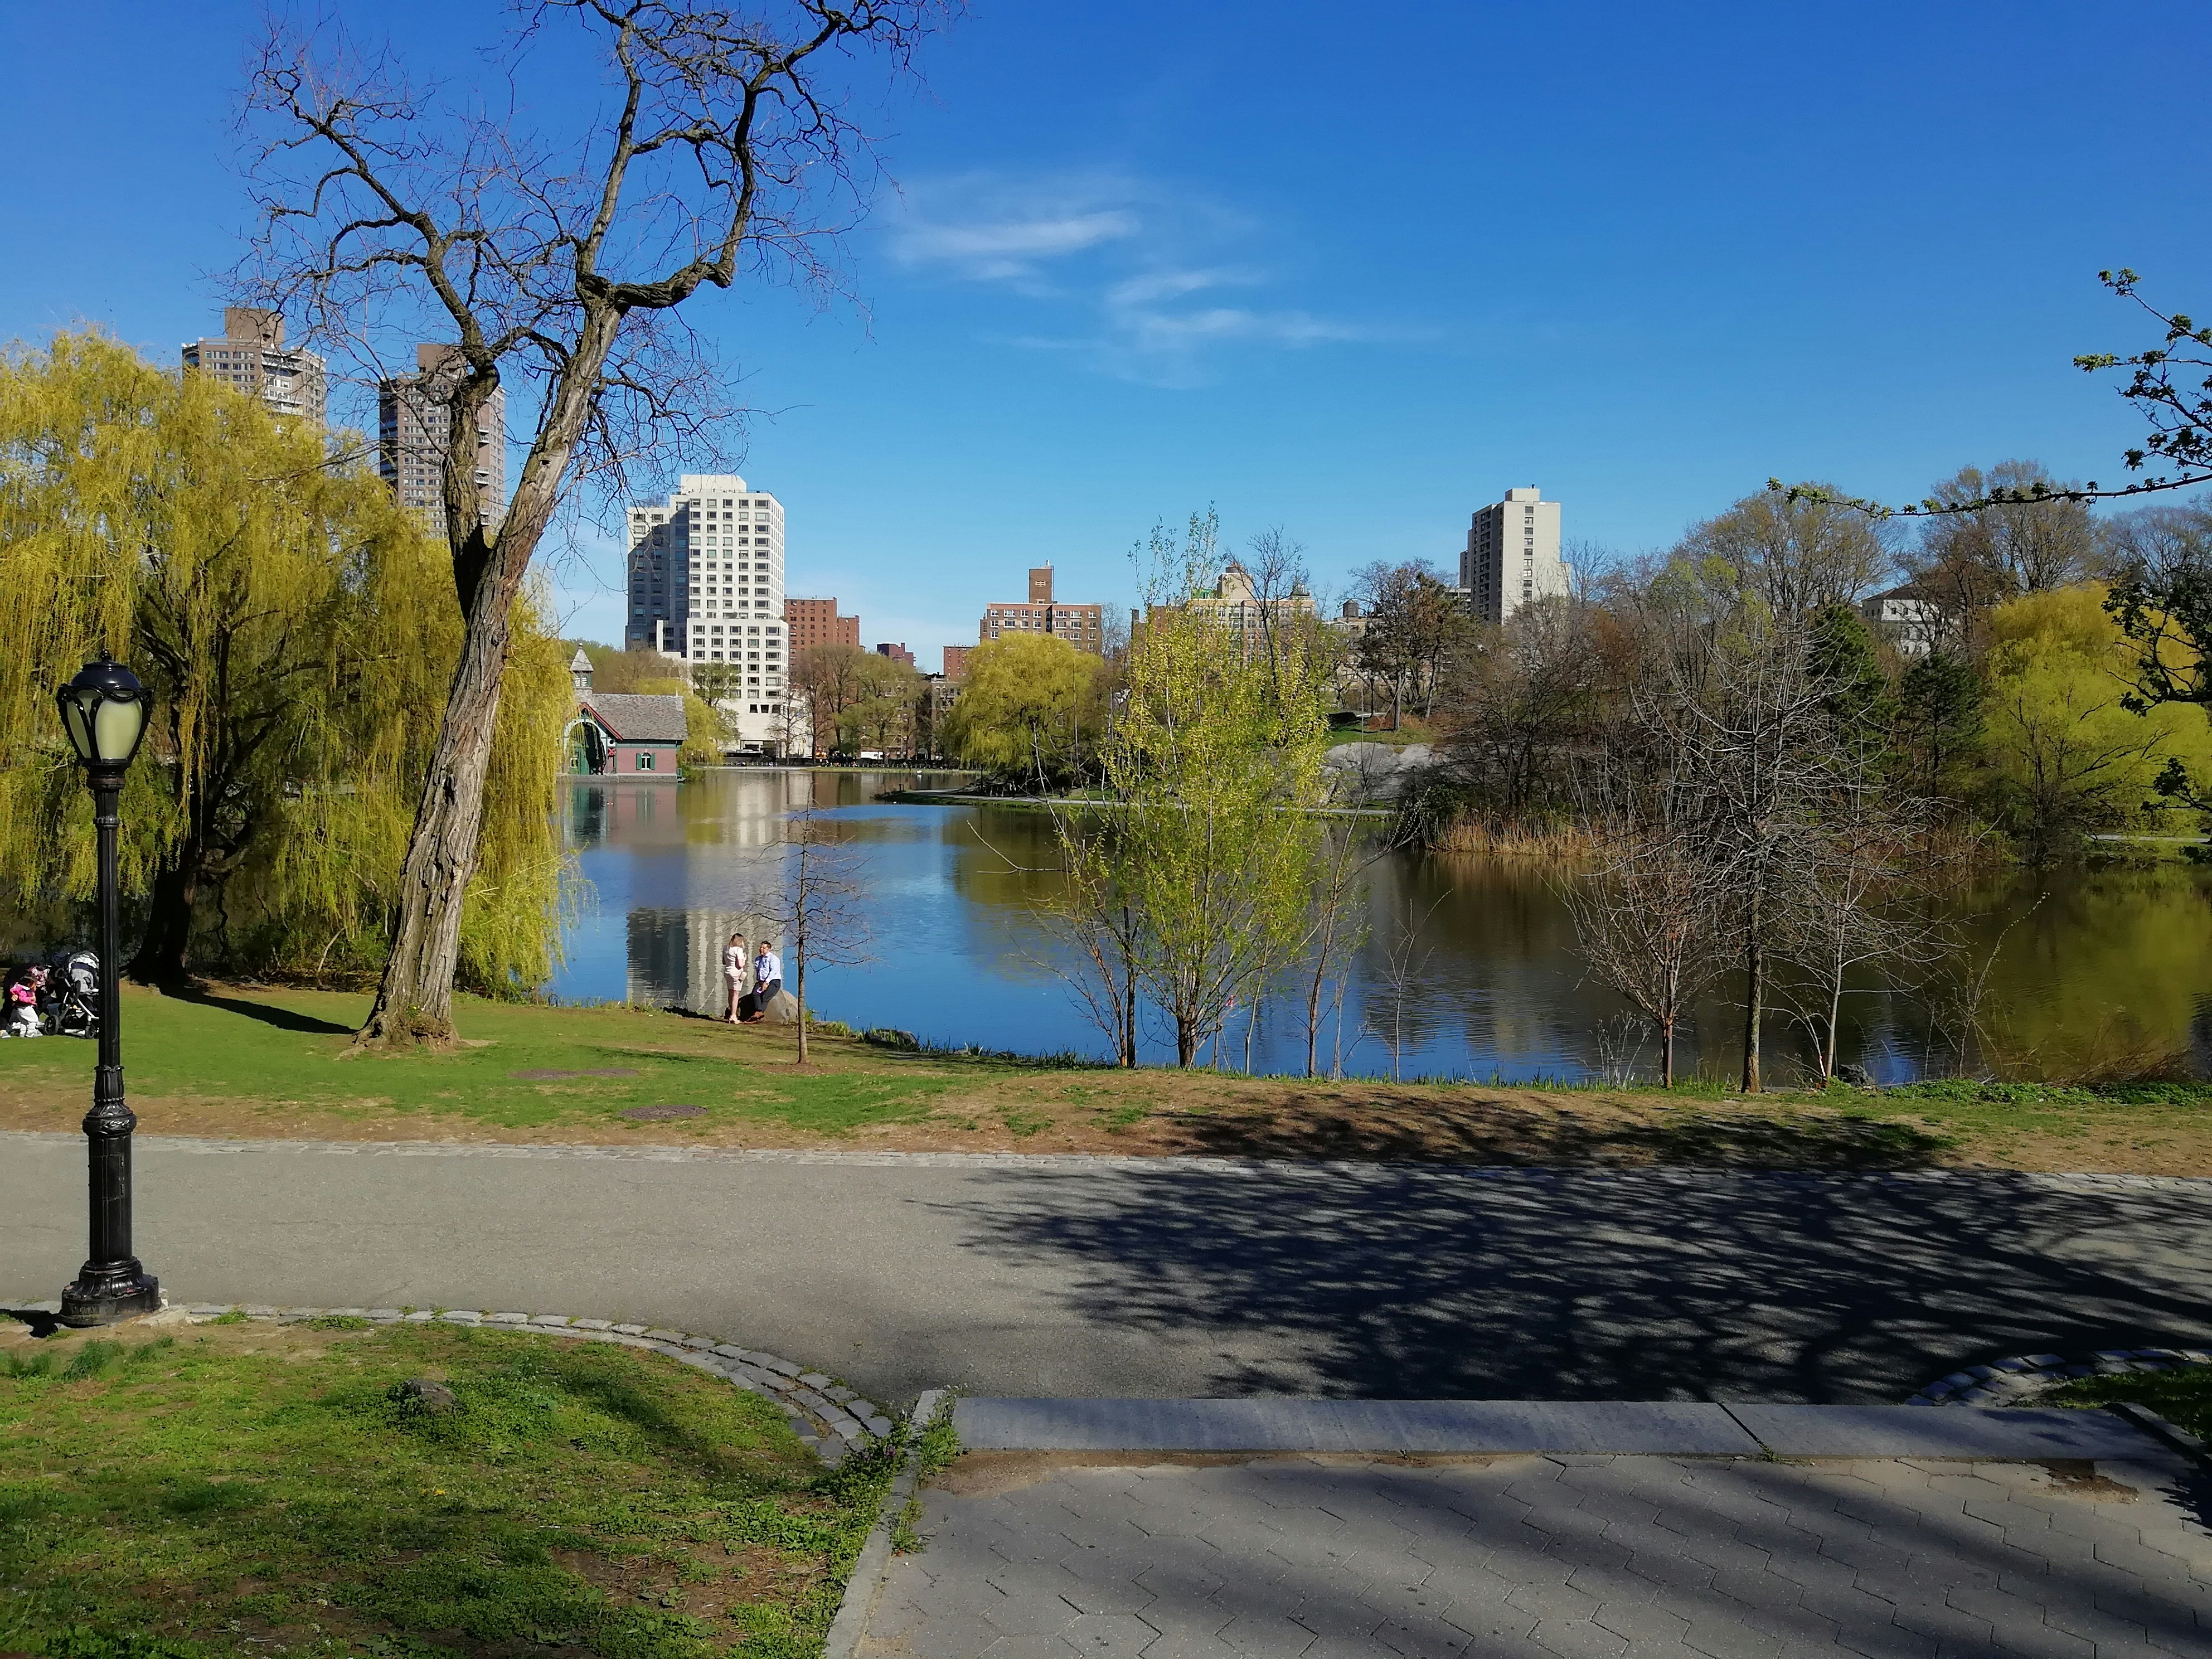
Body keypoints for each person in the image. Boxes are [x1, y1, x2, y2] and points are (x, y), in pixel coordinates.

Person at [743, 940, 784, 1022]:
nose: (761, 949)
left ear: (769, 949)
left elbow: (774, 971)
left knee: (765, 996)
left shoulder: (773, 959)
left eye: (763, 948)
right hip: (762, 981)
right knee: (755, 994)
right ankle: (758, 1012)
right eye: (760, 947)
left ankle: (758, 1013)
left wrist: (767, 982)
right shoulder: (758, 959)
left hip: (773, 980)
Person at [722, 931, 748, 1023]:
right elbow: (740, 965)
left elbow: (724, 962)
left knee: (730, 993)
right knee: (736, 994)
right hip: (736, 972)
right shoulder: (738, 950)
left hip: (727, 972)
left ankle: (730, 1013)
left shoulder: (726, 948)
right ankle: (734, 1015)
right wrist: (744, 960)